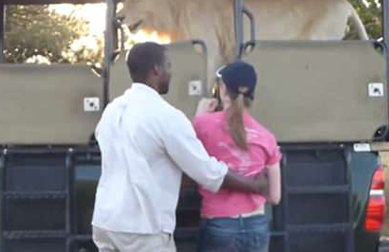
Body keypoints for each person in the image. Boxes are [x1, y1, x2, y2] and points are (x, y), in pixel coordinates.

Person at [92, 43, 268, 252]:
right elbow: (205, 170)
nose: (171, 72)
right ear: (156, 70)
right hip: (142, 229)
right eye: (168, 65)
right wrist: (254, 186)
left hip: (105, 222)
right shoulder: (166, 116)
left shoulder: (112, 110)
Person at [193, 61, 282, 252]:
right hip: (256, 225)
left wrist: (199, 114)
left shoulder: (203, 125)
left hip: (219, 225)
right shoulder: (267, 137)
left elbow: (189, 152)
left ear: (223, 90)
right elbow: (275, 197)